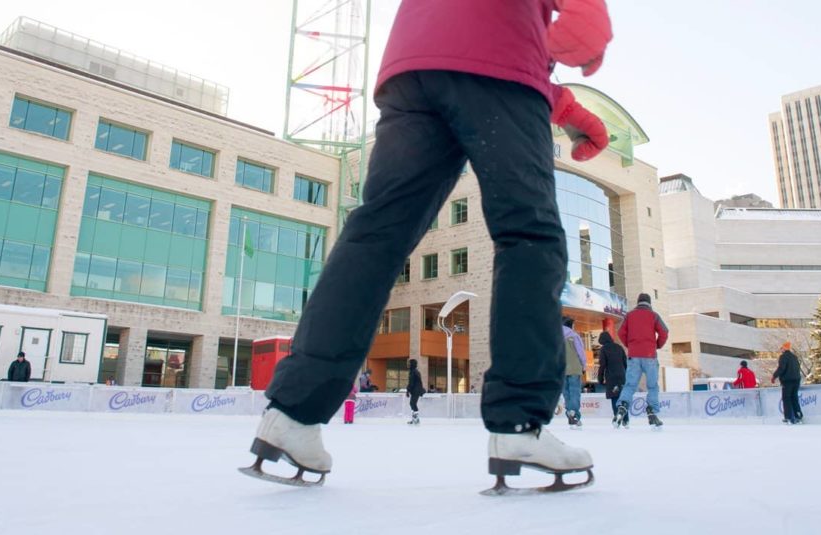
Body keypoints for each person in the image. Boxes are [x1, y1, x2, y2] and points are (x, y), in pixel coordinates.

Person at [243, 0, 612, 493]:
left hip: (414, 65)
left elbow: (472, 30)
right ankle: (519, 426)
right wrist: (591, 15)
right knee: (530, 235)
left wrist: (563, 106)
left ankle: (291, 415)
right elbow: (493, 49)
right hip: (496, 71)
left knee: (376, 234)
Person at [615, 293, 669, 428]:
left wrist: (630, 345)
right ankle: (652, 412)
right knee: (652, 386)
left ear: (638, 302)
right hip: (650, 355)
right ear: (649, 303)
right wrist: (657, 345)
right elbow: (664, 332)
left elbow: (620, 332)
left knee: (630, 385)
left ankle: (622, 407)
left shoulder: (629, 315)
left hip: (634, 355)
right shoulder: (654, 316)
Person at [596, 330, 628, 427]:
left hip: (611, 377)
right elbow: (625, 363)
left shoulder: (604, 349)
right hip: (622, 376)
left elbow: (602, 365)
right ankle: (626, 420)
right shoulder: (619, 347)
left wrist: (600, 378)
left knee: (614, 397)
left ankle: (617, 417)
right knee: (623, 398)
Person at [562, 317, 586, 428]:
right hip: (574, 368)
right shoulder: (574, 336)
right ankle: (574, 413)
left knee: (566, 393)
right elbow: (580, 352)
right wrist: (584, 365)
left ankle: (570, 416)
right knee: (574, 392)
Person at [772, 342, 803, 424]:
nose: (781, 349)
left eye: (781, 348)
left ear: (785, 348)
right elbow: (798, 368)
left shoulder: (783, 357)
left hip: (787, 381)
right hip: (796, 380)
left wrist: (774, 376)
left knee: (786, 398)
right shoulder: (794, 357)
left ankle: (788, 417)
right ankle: (798, 416)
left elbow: (781, 368)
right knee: (794, 398)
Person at [406, 359, 426, 426]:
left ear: (412, 364)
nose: (408, 365)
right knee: (412, 404)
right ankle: (414, 419)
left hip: (416, 390)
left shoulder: (413, 372)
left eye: (409, 363)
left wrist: (408, 390)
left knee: (413, 404)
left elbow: (411, 383)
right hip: (415, 390)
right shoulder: (414, 371)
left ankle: (416, 420)